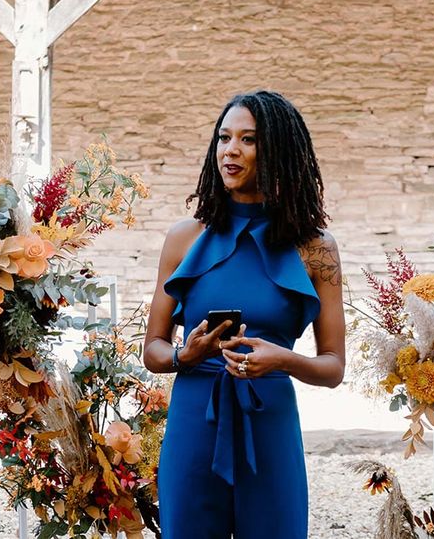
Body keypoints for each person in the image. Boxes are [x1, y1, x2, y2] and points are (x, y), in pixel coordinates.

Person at [143, 90, 345, 539]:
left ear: (277, 151)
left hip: (269, 421)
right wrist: (185, 355)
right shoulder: (182, 238)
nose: (230, 150)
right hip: (195, 420)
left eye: (248, 140)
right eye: (223, 137)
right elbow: (152, 350)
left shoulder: (316, 249)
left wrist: (283, 360)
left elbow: (333, 367)